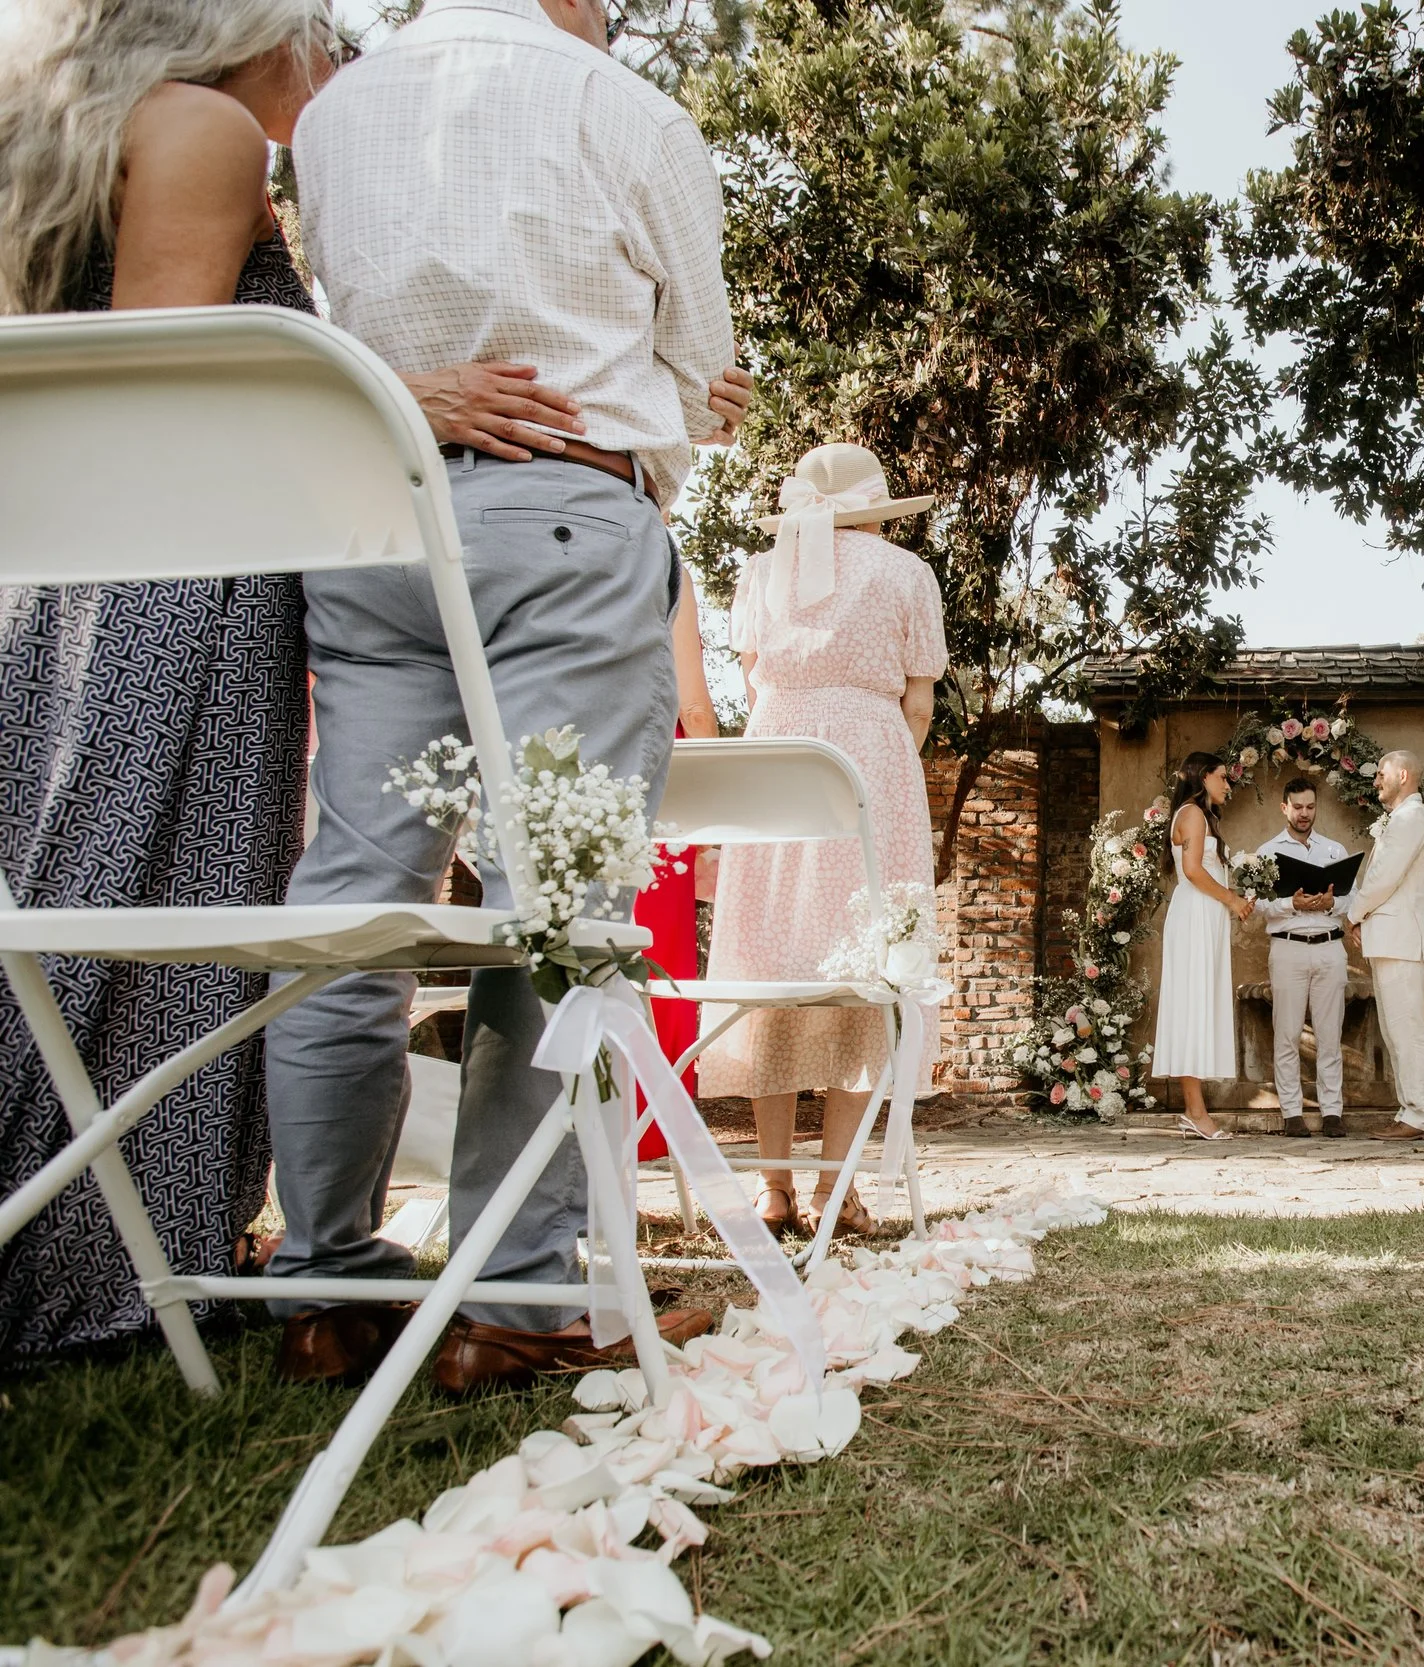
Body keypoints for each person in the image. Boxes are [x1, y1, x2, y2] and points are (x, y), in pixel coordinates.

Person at [0, 0, 597, 1361]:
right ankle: (97, 1272)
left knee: (73, 895)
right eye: (326, 34)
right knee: (149, 902)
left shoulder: (85, 145)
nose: (342, 67)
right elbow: (156, 375)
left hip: (63, 591)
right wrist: (407, 395)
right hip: (170, 599)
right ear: (251, 33)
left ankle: (118, 1248)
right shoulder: (205, 128)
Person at [269, 0, 752, 1393]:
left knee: (356, 890)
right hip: (563, 510)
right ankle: (514, 1294)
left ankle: (326, 1283)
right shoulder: (629, 111)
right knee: (560, 901)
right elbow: (706, 364)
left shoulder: (343, 108)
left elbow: (341, 327)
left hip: (370, 519)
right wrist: (657, 402)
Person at [705, 443, 945, 1236]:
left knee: (774, 969)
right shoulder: (905, 573)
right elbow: (917, 703)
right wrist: (887, 773)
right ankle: (832, 1190)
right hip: (869, 763)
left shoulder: (760, 573)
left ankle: (774, 1187)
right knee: (868, 968)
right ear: (872, 508)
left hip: (775, 764)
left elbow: (751, 680)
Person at [632, 566, 721, 1163]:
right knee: (656, 953)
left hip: (573, 747)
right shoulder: (661, 561)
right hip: (657, 761)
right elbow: (691, 698)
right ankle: (650, 1123)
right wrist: (715, 810)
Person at [1157, 752, 1256, 1141]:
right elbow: (1195, 869)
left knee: (1198, 1004)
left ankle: (1195, 1110)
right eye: (1222, 778)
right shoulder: (1193, 814)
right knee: (1190, 1007)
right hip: (1195, 915)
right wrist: (1232, 900)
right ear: (1203, 778)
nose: (1227, 786)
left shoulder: (1199, 816)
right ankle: (1195, 1113)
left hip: (1204, 916)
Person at [1347, 751, 1424, 1142]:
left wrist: (1353, 914)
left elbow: (1384, 876)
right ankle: (1411, 1111)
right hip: (1392, 939)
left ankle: (1421, 1115)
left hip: (1402, 940)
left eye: (1381, 773)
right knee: (1396, 1031)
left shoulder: (1411, 818)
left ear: (1403, 775)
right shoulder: (1406, 819)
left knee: (1407, 1031)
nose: (1376, 780)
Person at [1253, 777, 1355, 1137]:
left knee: (1330, 1035)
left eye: (1310, 807)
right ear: (1284, 807)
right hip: (1288, 948)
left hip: (1330, 946)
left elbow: (1352, 900)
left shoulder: (1334, 850)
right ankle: (1292, 1113)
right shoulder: (1266, 853)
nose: (1304, 814)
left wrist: (1333, 903)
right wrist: (1289, 903)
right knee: (1287, 1033)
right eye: (1297, 807)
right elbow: (1258, 904)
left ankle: (1332, 1113)